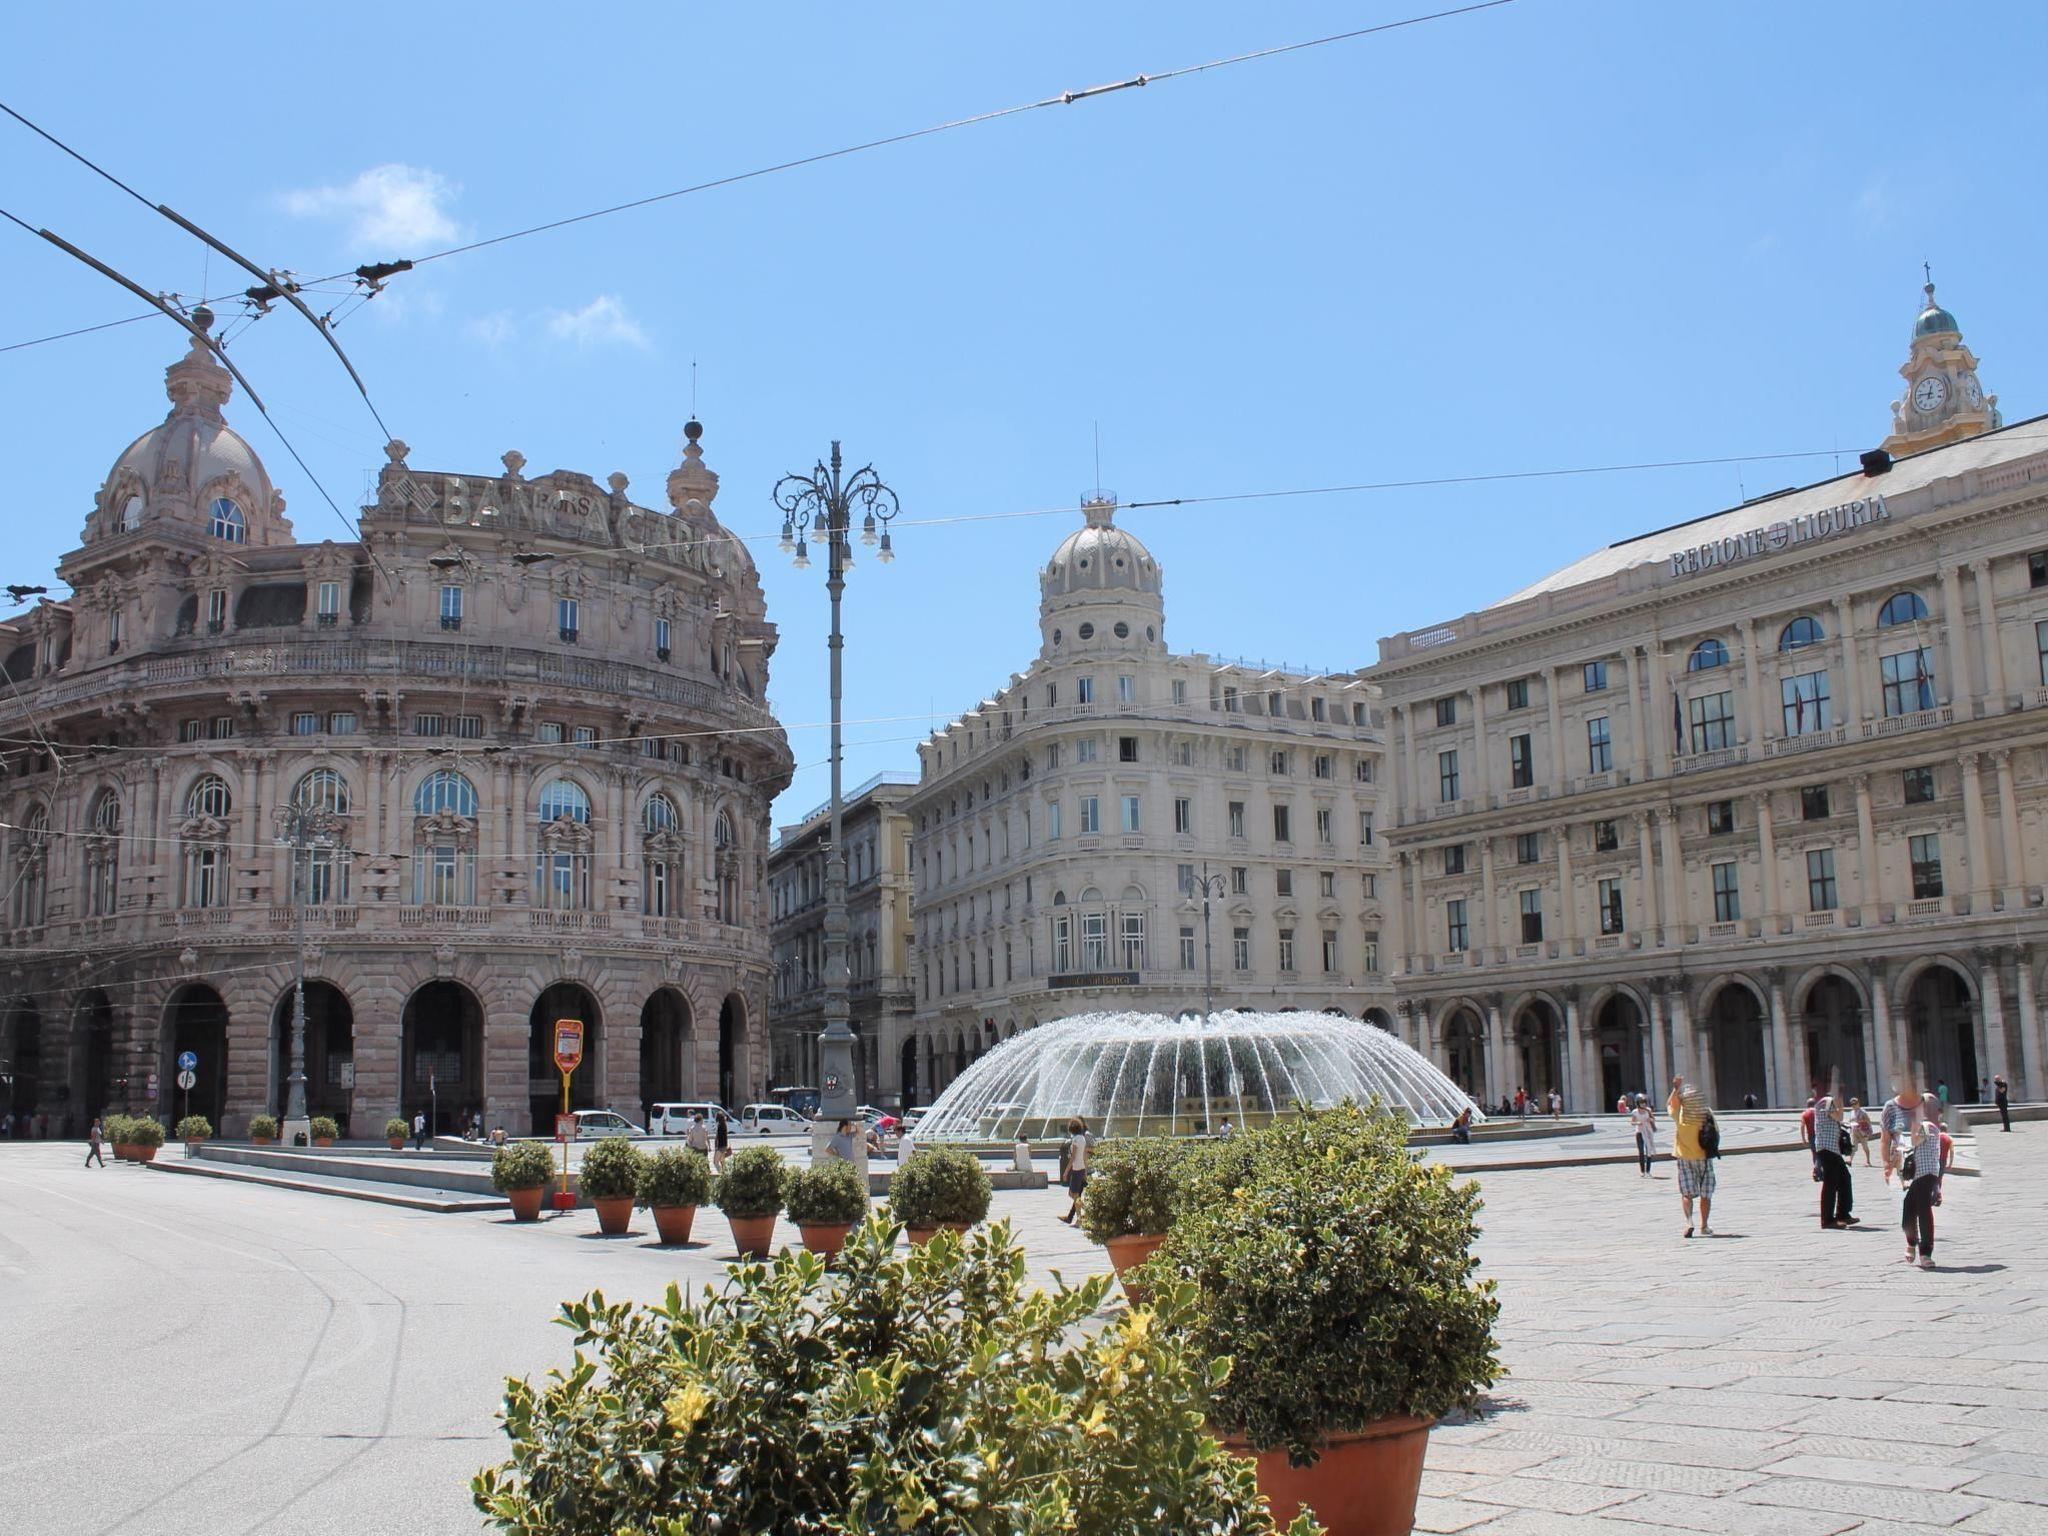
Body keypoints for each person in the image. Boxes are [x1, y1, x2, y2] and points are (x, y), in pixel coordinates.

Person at [1900, 1091, 1950, 1269]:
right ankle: (1912, 1243)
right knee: (1909, 1207)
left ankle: (1925, 1253)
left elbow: (1914, 1141)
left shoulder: (1927, 1126)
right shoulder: (1929, 1126)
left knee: (1922, 1213)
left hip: (1926, 1176)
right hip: (1923, 1176)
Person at [1667, 1077, 1715, 1237]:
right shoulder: (1706, 1112)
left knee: (1687, 1193)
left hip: (1685, 1158)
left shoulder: (1680, 1113)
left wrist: (1675, 1089)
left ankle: (1689, 1222)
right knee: (1706, 1193)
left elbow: (1670, 1104)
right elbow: (1715, 1133)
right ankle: (1704, 1226)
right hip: (1704, 1157)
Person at [1811, 1095, 1857, 1230]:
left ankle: (1843, 1214)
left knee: (1844, 1179)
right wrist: (1840, 1104)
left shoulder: (1827, 1102)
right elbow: (1839, 1117)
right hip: (1827, 1148)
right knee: (1830, 1183)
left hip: (1832, 1149)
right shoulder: (1827, 1102)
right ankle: (1827, 1220)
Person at [1058, 1116, 1093, 1225]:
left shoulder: (1075, 1140)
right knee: (1074, 1194)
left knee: (1073, 1194)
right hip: (1081, 1168)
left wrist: (1066, 1172)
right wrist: (1085, 1171)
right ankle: (1079, 1218)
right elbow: (1084, 1156)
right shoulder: (1082, 1139)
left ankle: (1086, 1212)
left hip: (1076, 1169)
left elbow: (1073, 1157)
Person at [1630, 1094, 1656, 1177]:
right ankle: (1642, 1171)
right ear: (1638, 1103)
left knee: (1649, 1151)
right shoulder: (1635, 1112)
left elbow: (1653, 1119)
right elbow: (1632, 1122)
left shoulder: (1648, 1110)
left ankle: (1648, 1170)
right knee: (1641, 1151)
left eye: (1644, 1102)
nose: (1643, 1104)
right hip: (1639, 1132)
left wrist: (1650, 1119)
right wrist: (1638, 1123)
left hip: (1648, 1132)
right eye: (1641, 1103)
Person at [1848, 1098, 1875, 1165]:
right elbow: (1850, 1121)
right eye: (1852, 1104)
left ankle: (1868, 1161)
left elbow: (1868, 1121)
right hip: (1854, 1131)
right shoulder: (1851, 1112)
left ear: (1858, 1104)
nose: (1853, 1105)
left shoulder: (1862, 1112)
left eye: (1855, 1104)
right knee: (1853, 1146)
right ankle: (1850, 1161)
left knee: (1865, 1146)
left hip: (1862, 1131)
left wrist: (1861, 1121)